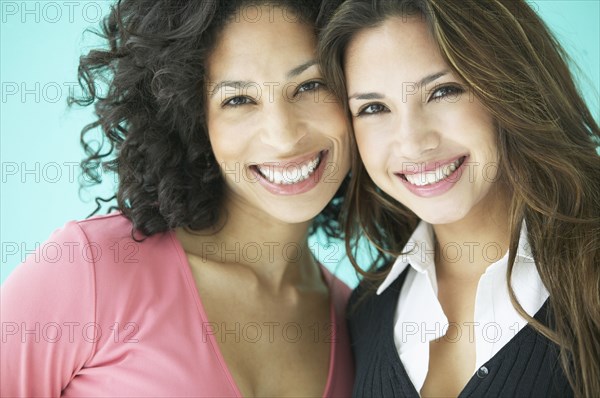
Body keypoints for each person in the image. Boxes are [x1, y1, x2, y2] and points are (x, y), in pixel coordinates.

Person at [1, 0, 355, 396]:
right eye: (237, 100)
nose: (284, 136)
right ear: (193, 117)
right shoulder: (90, 270)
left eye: (310, 85)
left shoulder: (356, 323)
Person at [318, 0, 599, 397]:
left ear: (510, 85)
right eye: (374, 108)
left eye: (443, 91)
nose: (414, 142)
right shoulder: (364, 312)